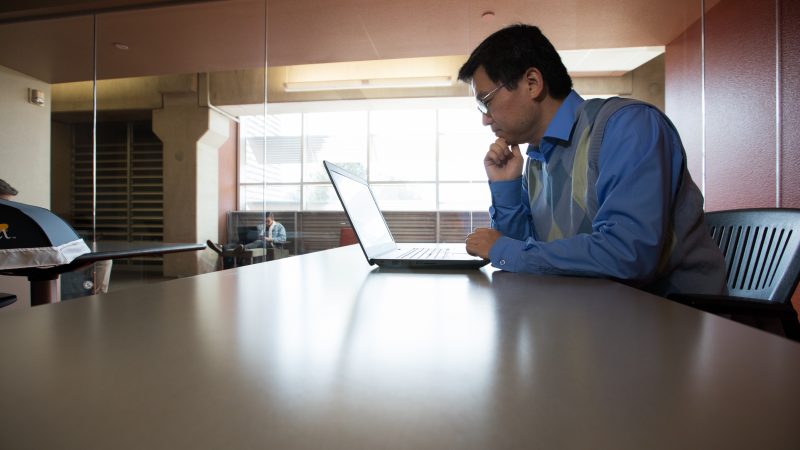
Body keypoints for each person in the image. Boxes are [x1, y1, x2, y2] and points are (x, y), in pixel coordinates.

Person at [460, 24, 726, 297]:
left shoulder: (627, 127)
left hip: (677, 321)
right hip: (596, 314)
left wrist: (503, 248)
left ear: (532, 83)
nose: (484, 119)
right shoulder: (537, 160)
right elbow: (522, 257)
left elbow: (628, 255)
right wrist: (507, 188)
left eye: (486, 102)